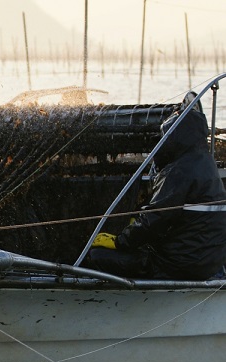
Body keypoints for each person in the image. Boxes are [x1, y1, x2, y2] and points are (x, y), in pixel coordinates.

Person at [87, 98, 226, 280]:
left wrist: (120, 241)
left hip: (177, 264)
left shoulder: (179, 171)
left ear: (176, 137)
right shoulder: (206, 163)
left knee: (96, 255)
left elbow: (155, 218)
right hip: (208, 262)